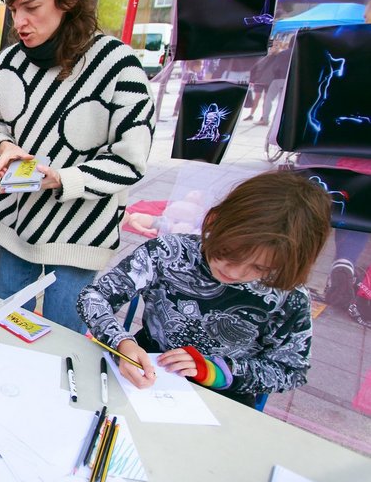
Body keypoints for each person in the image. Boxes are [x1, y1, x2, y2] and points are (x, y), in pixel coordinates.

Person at [0, 0, 155, 333]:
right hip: (16, 224)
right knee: (7, 331)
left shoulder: (119, 65)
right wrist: (6, 147)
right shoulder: (10, 61)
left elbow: (131, 159)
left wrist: (63, 178)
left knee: (63, 341)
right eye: (13, 10)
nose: (19, 22)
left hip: (81, 233)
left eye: (31, 7)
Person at [77, 171, 332, 407]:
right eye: (227, 253)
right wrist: (121, 342)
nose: (234, 272)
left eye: (259, 268)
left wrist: (216, 371)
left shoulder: (288, 295)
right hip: (142, 366)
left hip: (224, 397)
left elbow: (290, 369)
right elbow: (95, 296)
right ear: (214, 220)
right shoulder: (169, 253)